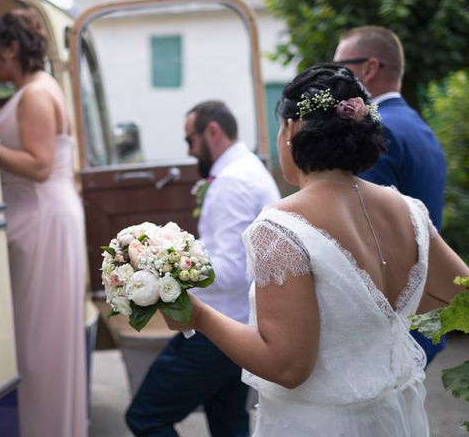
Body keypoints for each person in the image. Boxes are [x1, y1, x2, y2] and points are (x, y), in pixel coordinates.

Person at [162, 64, 468, 437]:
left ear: (291, 130)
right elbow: (459, 295)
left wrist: (199, 316)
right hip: (395, 418)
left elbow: (288, 367)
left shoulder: (279, 226)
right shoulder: (408, 210)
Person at [125, 100, 281, 436]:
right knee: (229, 424)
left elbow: (230, 268)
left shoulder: (233, 181)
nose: (190, 151)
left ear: (212, 131)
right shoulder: (245, 170)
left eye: (189, 140)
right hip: (239, 321)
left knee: (145, 417)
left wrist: (157, 269)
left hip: (217, 330)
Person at [0, 8, 87, 437]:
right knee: (41, 340)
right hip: (44, 217)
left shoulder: (34, 95)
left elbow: (39, 164)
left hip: (42, 218)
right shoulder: (38, 89)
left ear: (12, 48)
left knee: (38, 346)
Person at [333, 25, 447, 364]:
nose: (336, 78)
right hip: (422, 310)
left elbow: (368, 236)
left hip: (393, 327)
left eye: (342, 68)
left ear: (369, 67)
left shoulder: (378, 130)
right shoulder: (416, 124)